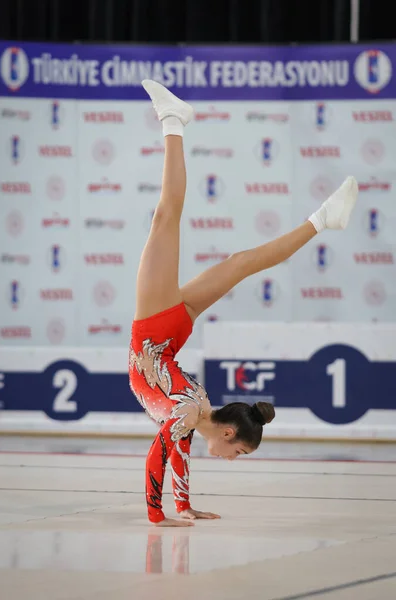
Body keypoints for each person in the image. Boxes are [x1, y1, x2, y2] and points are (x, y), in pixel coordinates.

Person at [129, 80, 358, 527]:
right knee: (168, 216)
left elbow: (173, 450)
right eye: (239, 452)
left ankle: (323, 218)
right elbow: (162, 453)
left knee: (238, 262)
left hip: (166, 333)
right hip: (157, 330)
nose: (233, 458)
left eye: (237, 454)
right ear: (229, 432)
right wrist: (161, 515)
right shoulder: (192, 410)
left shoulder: (196, 410)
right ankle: (173, 119)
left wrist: (182, 508)